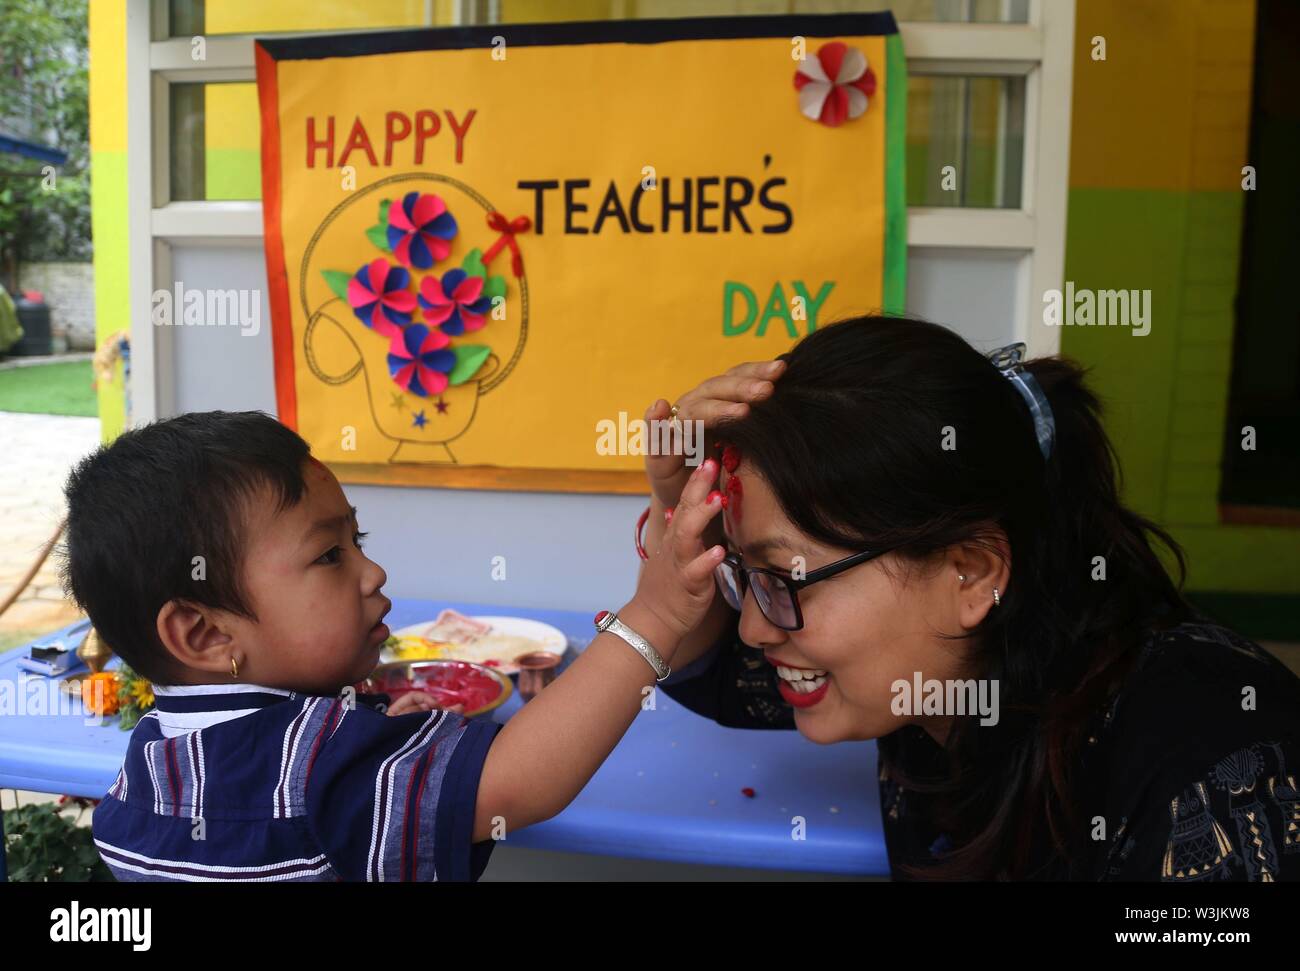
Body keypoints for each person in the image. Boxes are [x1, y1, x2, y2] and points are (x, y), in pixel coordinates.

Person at [639, 314, 1300, 881]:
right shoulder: (939, 686)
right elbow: (715, 673)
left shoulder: (1218, 773)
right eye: (745, 575)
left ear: (972, 573)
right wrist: (679, 501)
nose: (754, 626)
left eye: (783, 578)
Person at [63, 410, 725, 881]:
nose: (372, 573)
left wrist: (384, 753)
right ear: (205, 633)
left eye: (361, 541)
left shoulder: (150, 758)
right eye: (329, 554)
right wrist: (655, 614)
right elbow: (522, 780)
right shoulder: (309, 763)